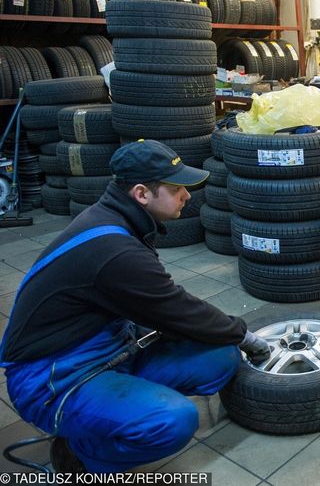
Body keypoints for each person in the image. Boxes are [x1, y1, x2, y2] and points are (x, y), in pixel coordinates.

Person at [0, 140, 272, 472]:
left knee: (220, 357)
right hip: (52, 378)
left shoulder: (117, 219)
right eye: (176, 189)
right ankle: (78, 456)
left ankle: (113, 411)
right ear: (142, 194)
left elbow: (159, 308)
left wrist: (227, 339)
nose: (187, 196)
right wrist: (244, 334)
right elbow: (178, 309)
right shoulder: (113, 249)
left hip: (110, 347)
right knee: (173, 420)